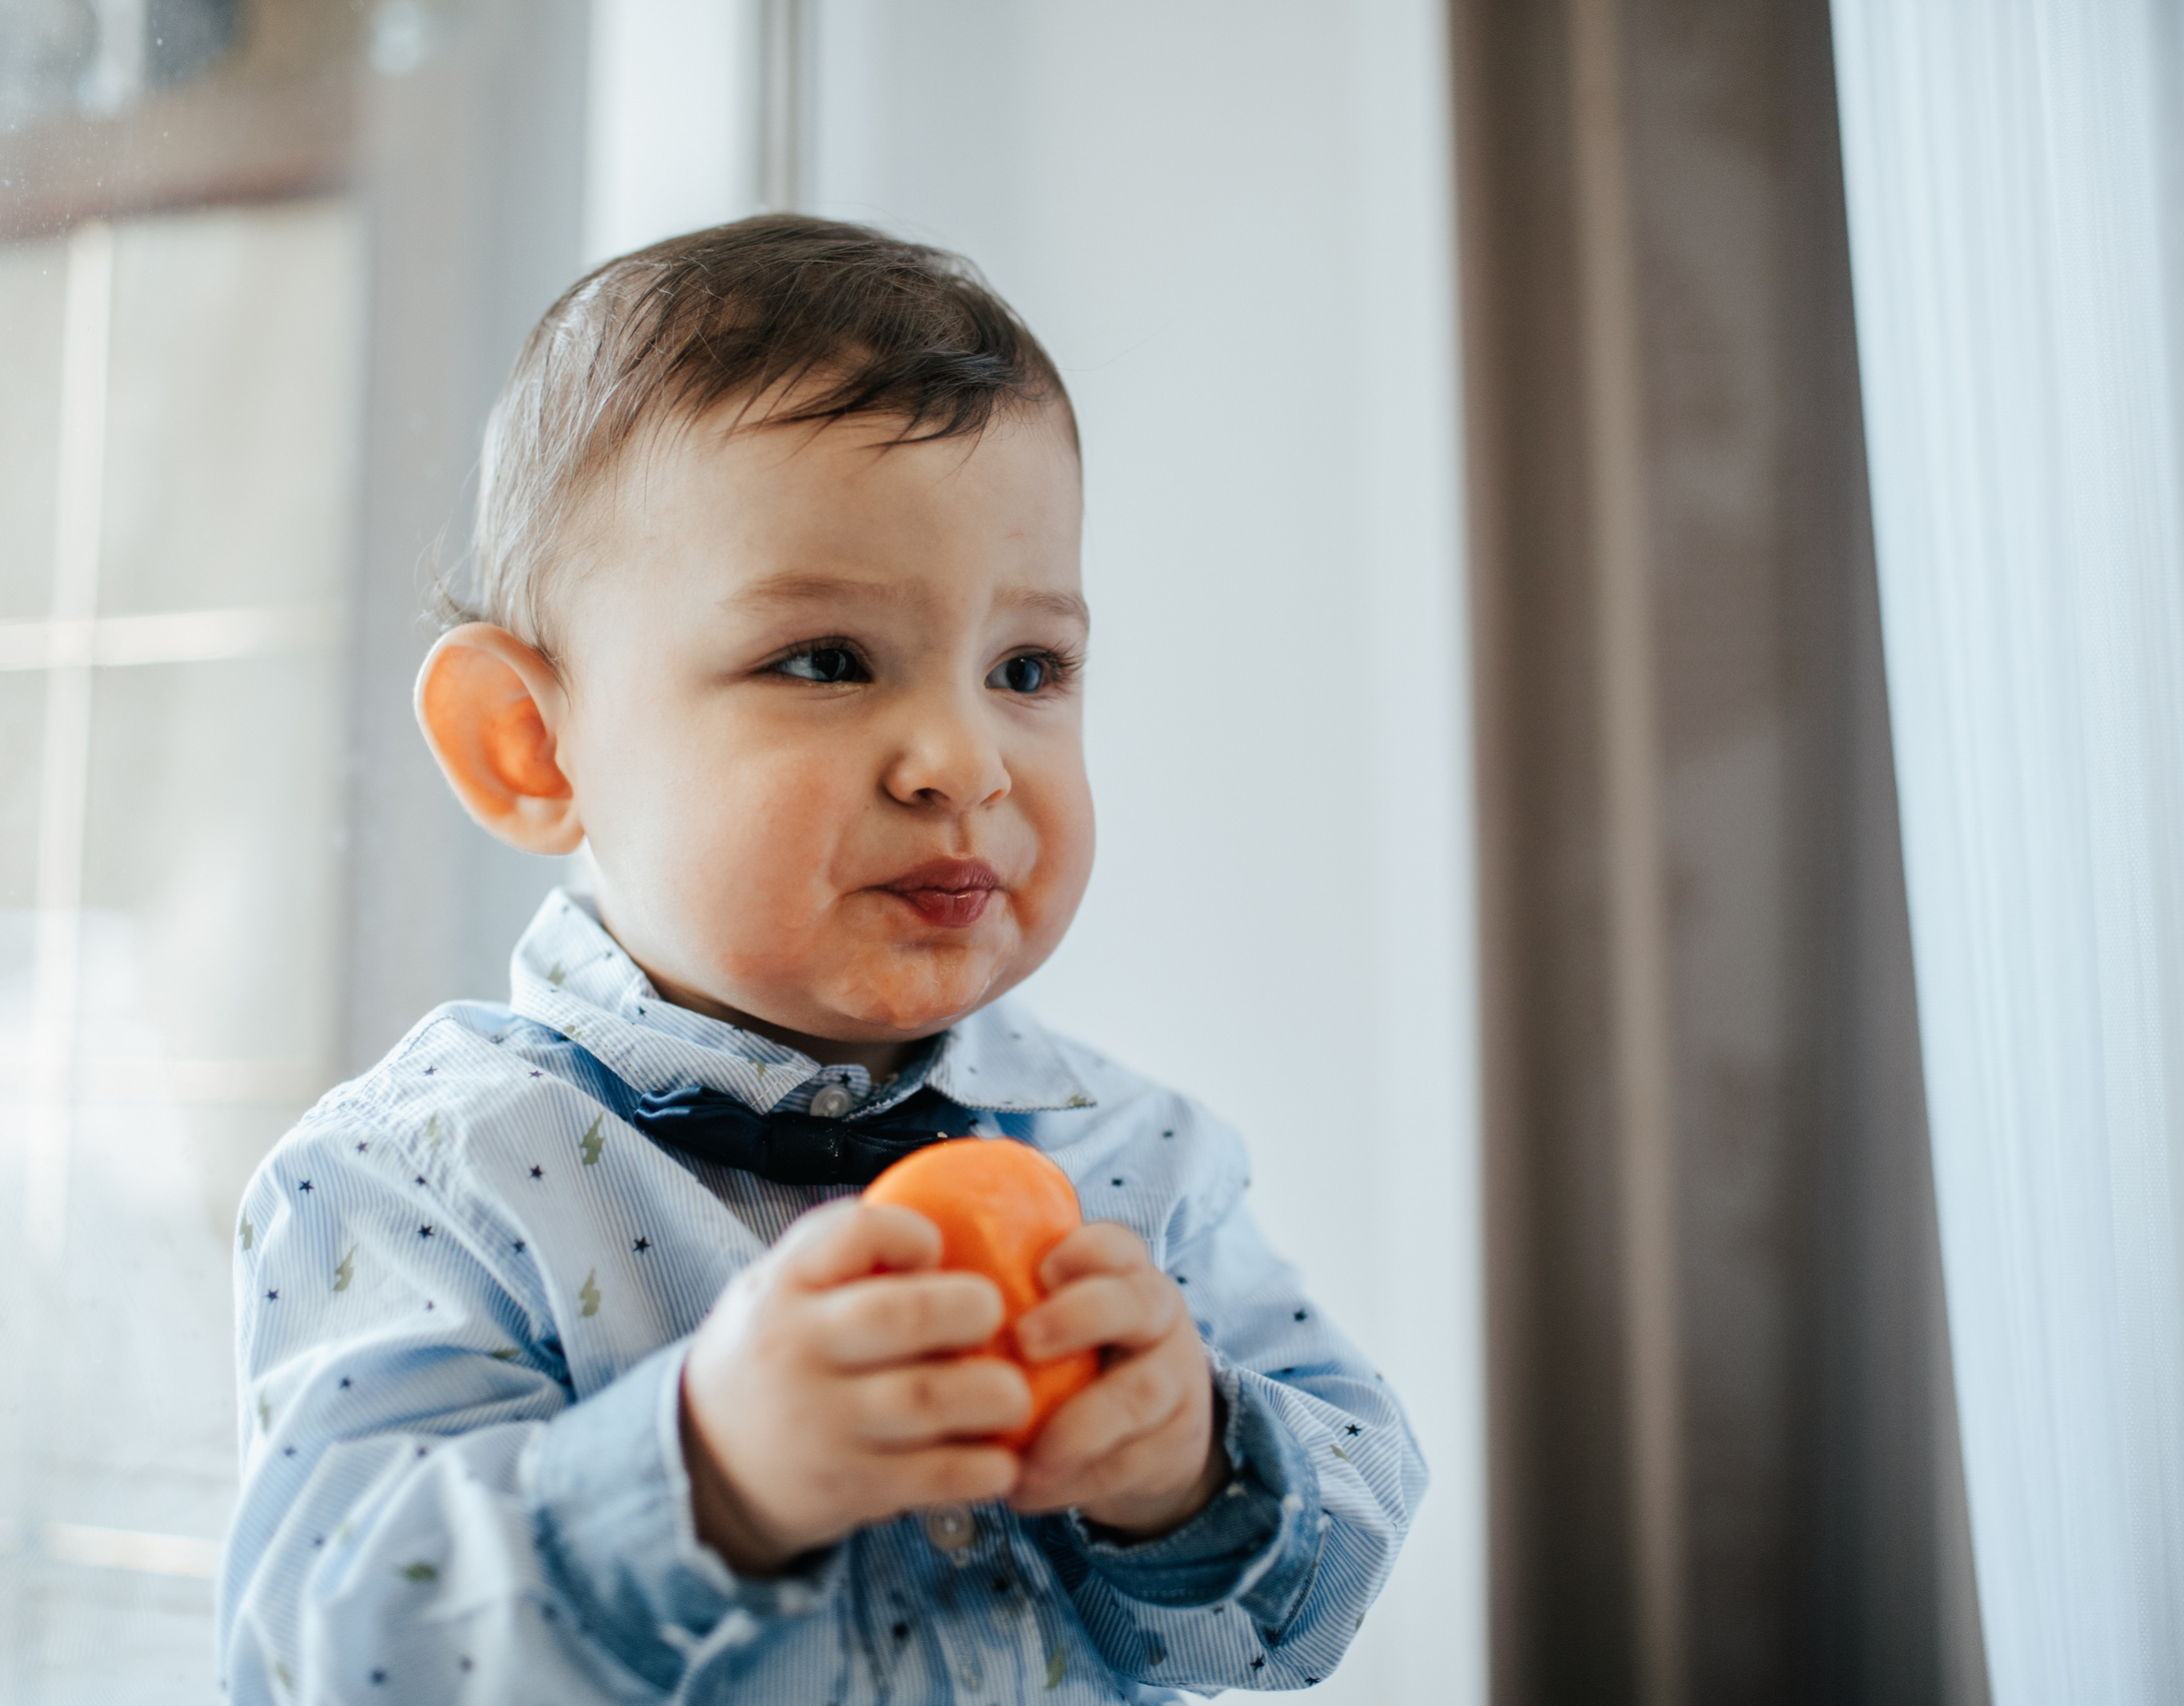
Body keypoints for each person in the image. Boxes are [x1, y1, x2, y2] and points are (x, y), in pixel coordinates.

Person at [220, 215, 1424, 1702]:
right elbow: (322, 1655)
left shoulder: (1138, 1161)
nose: (963, 758)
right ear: (531, 744)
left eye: (1028, 669)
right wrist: (705, 1475)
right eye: (826, 661)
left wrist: (1190, 1472)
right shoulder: (422, 1184)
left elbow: (1325, 1591)